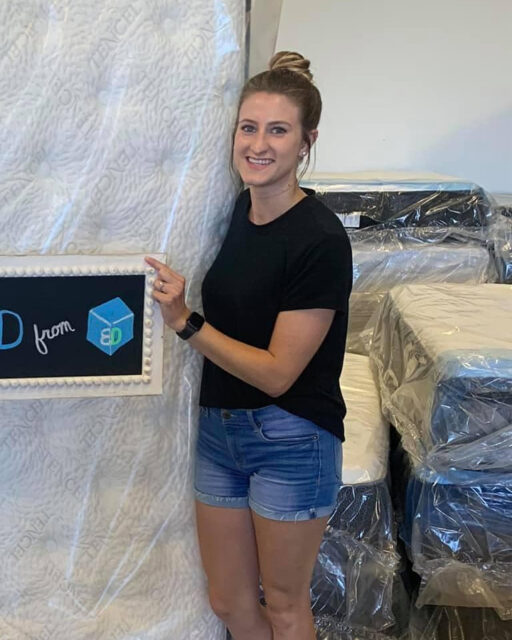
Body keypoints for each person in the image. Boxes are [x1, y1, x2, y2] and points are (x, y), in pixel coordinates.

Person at [147, 52, 352, 640]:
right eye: (249, 127)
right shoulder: (240, 208)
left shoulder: (320, 240)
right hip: (220, 431)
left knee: (284, 604)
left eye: (279, 130)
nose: (259, 144)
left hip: (290, 436)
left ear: (307, 142)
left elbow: (278, 373)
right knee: (229, 600)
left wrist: (186, 321)